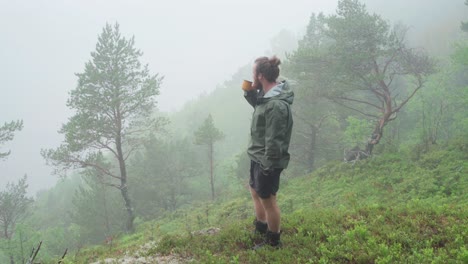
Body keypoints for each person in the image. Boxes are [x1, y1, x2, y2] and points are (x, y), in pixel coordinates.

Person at [244, 56, 294, 249]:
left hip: (268, 159)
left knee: (269, 200)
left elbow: (275, 139)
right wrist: (249, 91)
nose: (251, 77)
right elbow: (260, 107)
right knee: (256, 191)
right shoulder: (268, 97)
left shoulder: (276, 105)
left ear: (261, 75)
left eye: (253, 74)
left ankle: (274, 241)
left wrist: (267, 166)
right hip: (258, 155)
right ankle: (261, 227)